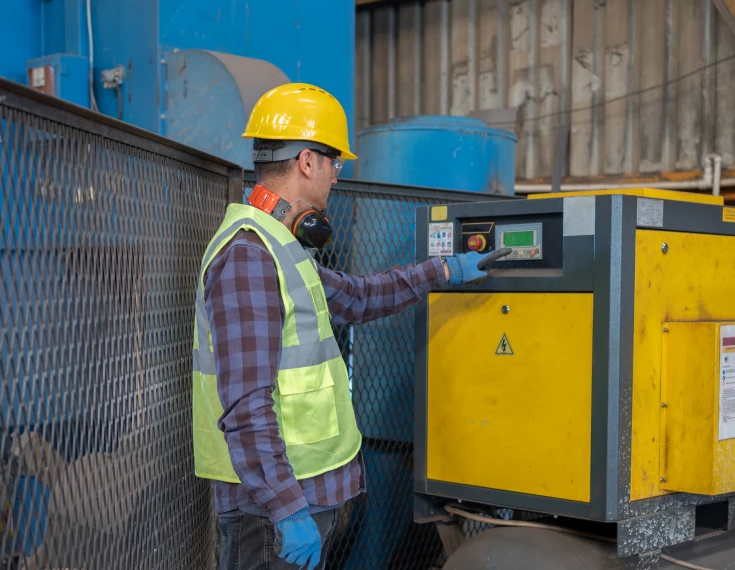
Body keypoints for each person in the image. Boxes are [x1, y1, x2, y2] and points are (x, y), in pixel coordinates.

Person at [191, 82, 508, 570]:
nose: (336, 178)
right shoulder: (248, 258)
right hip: (273, 513)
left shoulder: (282, 250)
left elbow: (357, 297)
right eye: (335, 164)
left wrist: (445, 270)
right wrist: (288, 511)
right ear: (306, 162)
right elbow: (246, 405)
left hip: (296, 499)